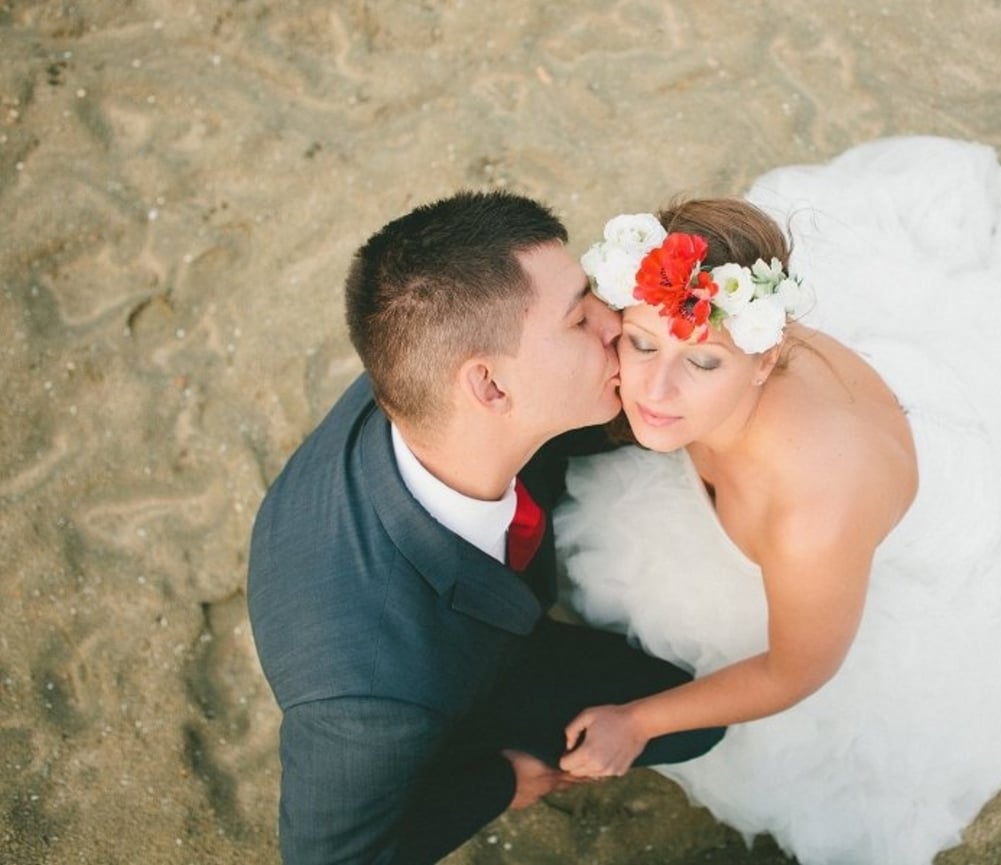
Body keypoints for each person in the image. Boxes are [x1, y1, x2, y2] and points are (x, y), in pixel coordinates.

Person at [553, 137, 1001, 865]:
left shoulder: (813, 515)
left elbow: (797, 671)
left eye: (703, 361)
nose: (653, 392)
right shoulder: (725, 326)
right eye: (641, 343)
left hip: (901, 506)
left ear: (764, 361)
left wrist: (638, 720)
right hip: (888, 412)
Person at [246, 190, 723, 865]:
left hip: (466, 545)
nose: (614, 322)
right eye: (578, 318)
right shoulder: (371, 699)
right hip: (456, 663)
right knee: (688, 718)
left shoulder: (433, 378)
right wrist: (496, 781)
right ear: (492, 389)